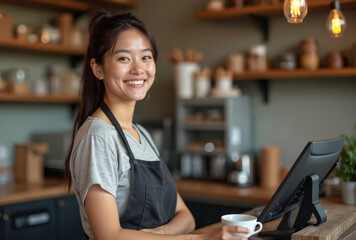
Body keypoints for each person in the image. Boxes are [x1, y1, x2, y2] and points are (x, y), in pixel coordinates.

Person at [64, 12, 249, 240]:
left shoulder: (142, 135)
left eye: (145, 57)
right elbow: (108, 236)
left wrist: (158, 235)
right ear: (98, 69)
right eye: (123, 58)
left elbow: (186, 217)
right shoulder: (98, 138)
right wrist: (198, 239)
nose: (138, 69)